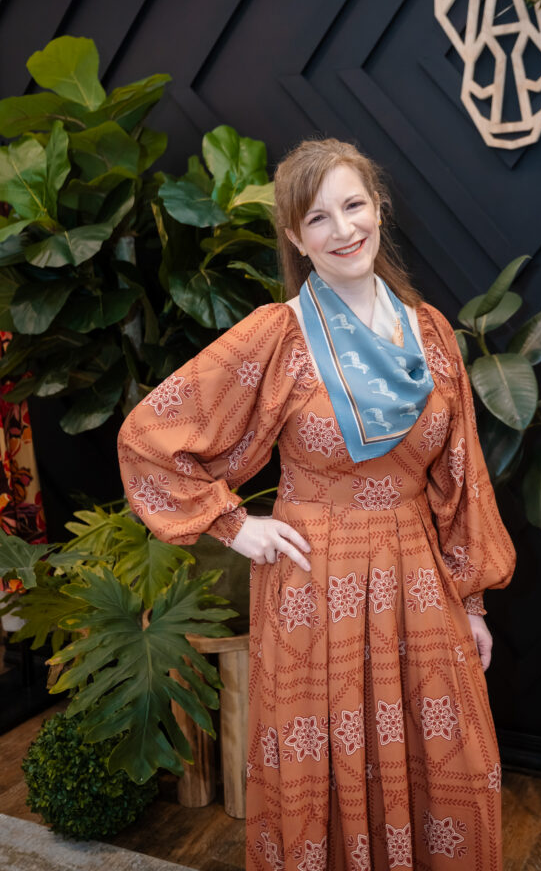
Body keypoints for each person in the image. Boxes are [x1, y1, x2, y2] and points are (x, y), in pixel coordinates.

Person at [117, 138, 516, 870]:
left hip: (416, 578)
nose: (343, 230)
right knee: (324, 775)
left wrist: (472, 601)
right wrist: (235, 526)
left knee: (447, 764)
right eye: (318, 218)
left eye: (353, 205)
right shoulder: (279, 335)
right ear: (297, 239)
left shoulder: (430, 335)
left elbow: (460, 479)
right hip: (315, 582)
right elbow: (151, 437)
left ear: (377, 208)